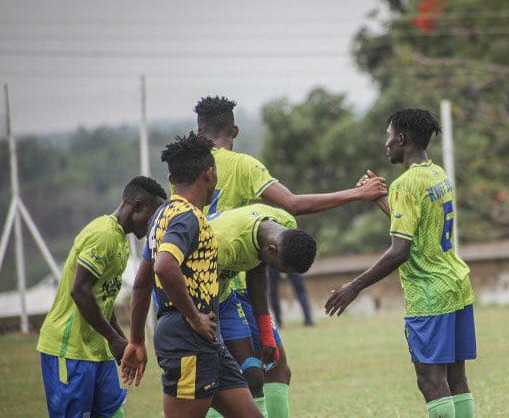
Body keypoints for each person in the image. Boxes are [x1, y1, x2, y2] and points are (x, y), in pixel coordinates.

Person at [192, 95, 387, 418]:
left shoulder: (186, 170)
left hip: (206, 284)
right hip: (232, 285)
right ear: (235, 132)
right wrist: (359, 193)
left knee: (249, 374)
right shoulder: (242, 165)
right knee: (258, 374)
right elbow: (292, 203)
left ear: (199, 130)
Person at [325, 108, 476, 418]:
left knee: (431, 381)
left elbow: (399, 251)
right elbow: (414, 229)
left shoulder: (406, 184)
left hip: (430, 294)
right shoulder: (437, 174)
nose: (387, 143)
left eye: (389, 136)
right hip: (457, 286)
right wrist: (379, 199)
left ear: (402, 139)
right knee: (456, 378)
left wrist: (354, 287)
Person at [120, 132, 261, 418]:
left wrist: (136, 340)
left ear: (171, 179)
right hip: (188, 337)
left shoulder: (161, 215)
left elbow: (142, 283)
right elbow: (164, 266)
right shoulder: (188, 217)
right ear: (209, 174)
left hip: (205, 339)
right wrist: (194, 316)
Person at [37, 175, 166, 418]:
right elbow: (80, 291)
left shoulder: (121, 240)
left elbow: (103, 300)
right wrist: (113, 338)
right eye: (153, 216)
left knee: (113, 412)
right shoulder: (103, 234)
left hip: (98, 348)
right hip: (70, 349)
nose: (154, 224)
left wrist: (123, 342)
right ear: (137, 206)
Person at [208, 203, 317, 416]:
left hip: (225, 297)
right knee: (217, 380)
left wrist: (266, 334)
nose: (281, 275)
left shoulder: (284, 225)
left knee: (259, 373)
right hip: (195, 301)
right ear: (272, 250)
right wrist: (214, 339)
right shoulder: (226, 243)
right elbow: (203, 294)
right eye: (281, 269)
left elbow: (257, 272)